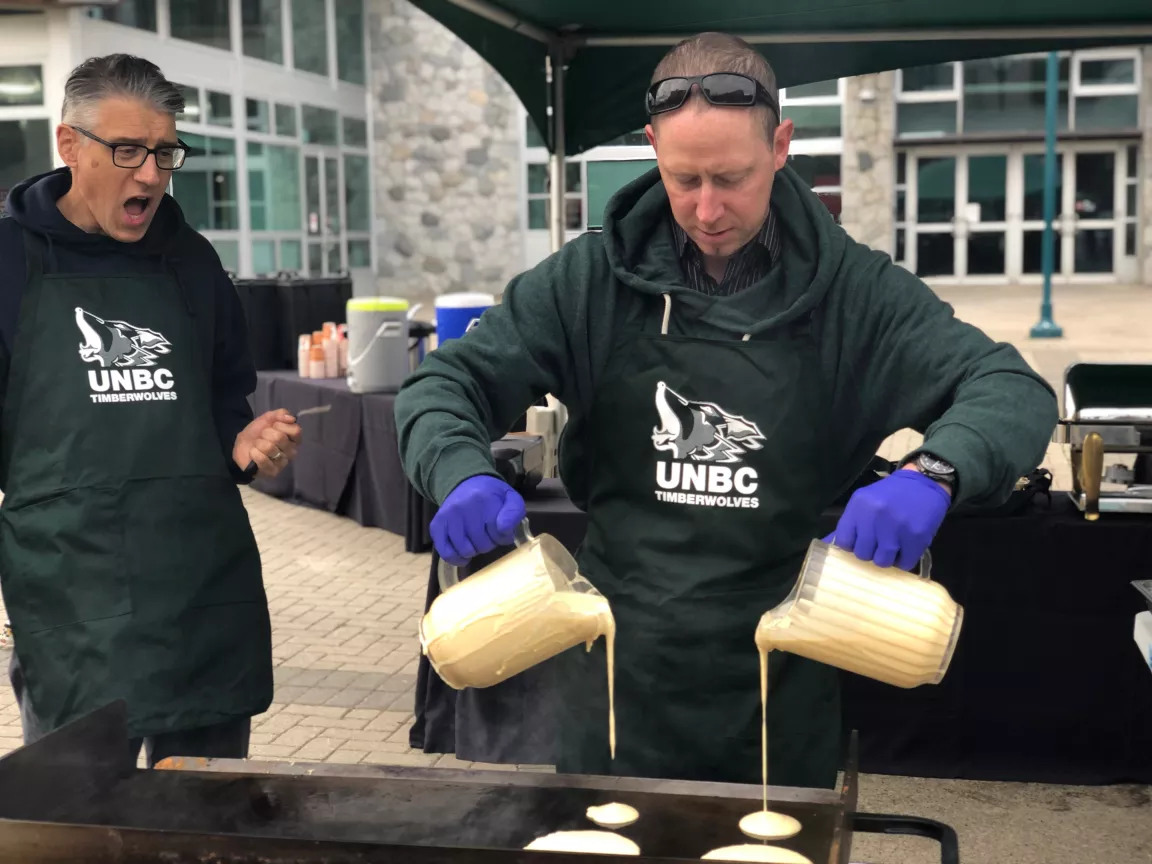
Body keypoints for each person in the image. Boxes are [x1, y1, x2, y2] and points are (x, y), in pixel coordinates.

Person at [396, 33, 1058, 789]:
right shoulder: (587, 283)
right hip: (618, 669)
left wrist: (936, 473)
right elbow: (444, 384)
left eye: (733, 178)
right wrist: (457, 469)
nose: (707, 209)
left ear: (781, 145)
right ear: (651, 147)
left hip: (782, 679)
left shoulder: (856, 293)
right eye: (684, 179)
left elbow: (1009, 387)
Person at [0, 54, 300, 765]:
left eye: (165, 153)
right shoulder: (8, 264)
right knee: (75, 819)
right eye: (128, 150)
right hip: (73, 592)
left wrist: (246, 441)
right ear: (69, 144)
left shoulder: (192, 262)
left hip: (199, 585)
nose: (150, 174)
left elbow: (226, 399)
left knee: (206, 818)